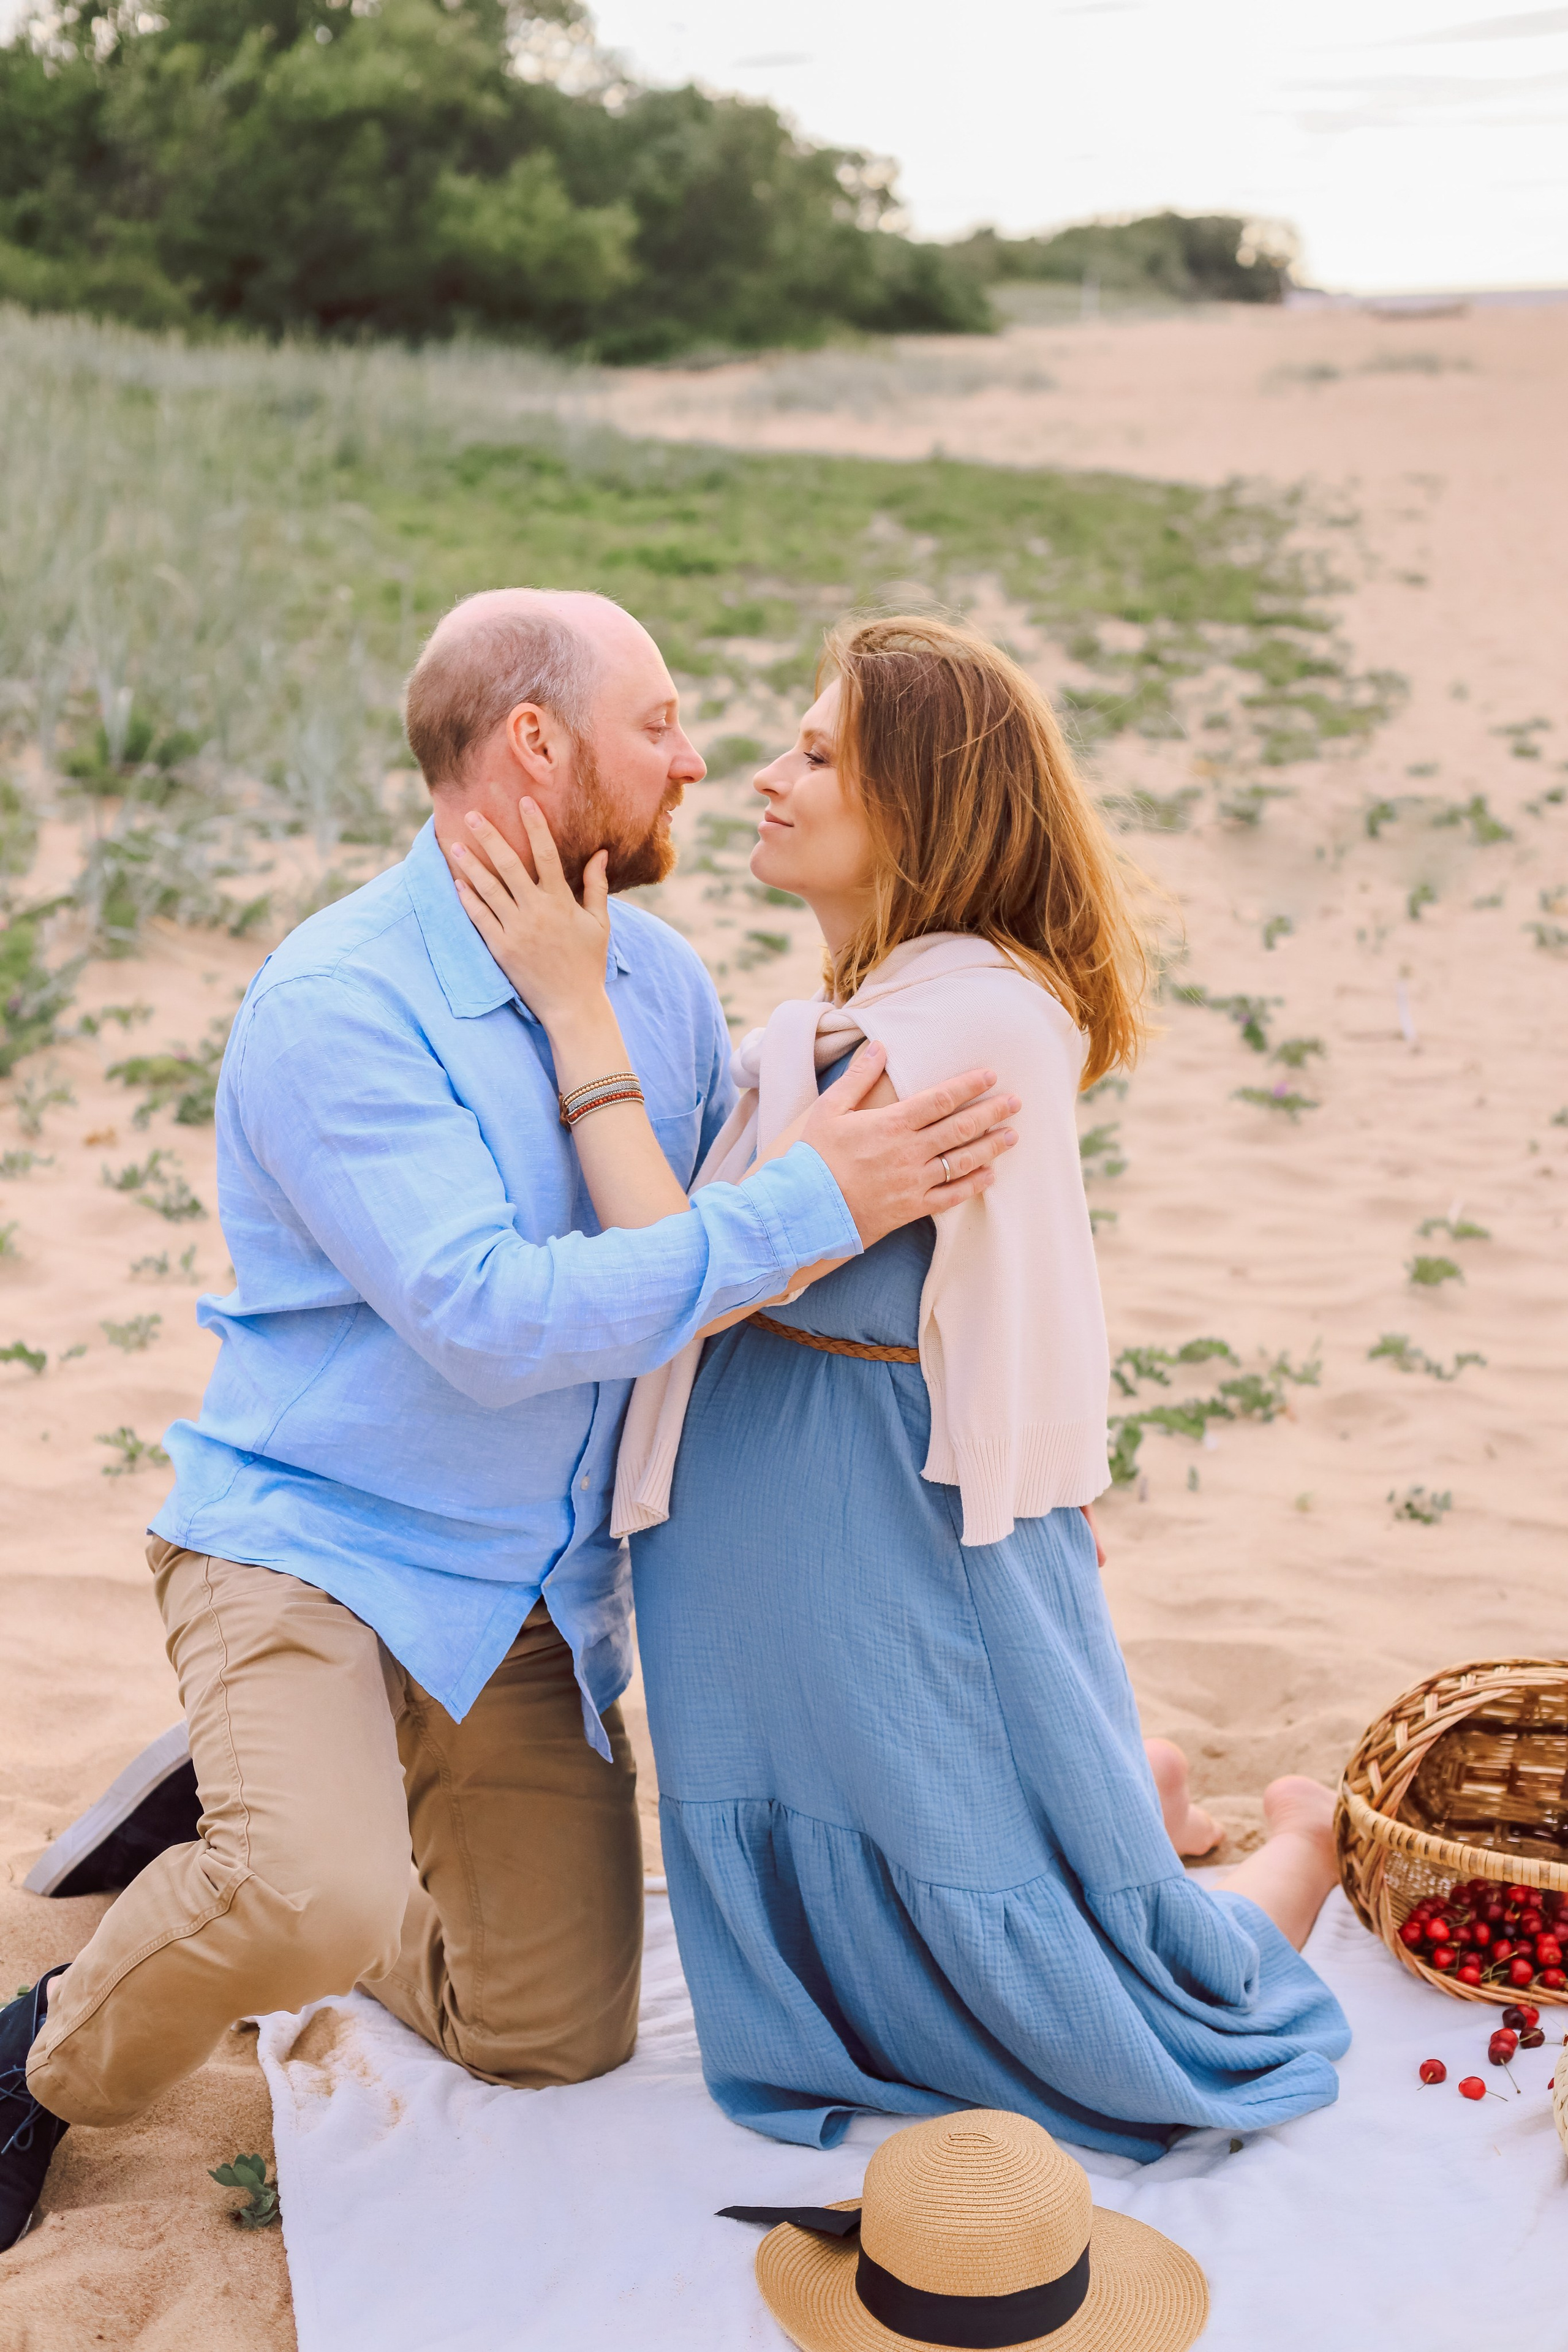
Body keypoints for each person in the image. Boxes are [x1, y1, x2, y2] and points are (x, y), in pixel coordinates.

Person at [0, 591, 1022, 2250]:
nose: (697, 762)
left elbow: (679, 1267)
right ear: (536, 746)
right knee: (303, 1901)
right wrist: (808, 1205)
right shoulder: (338, 1002)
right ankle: (41, 2054)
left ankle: (277, 1826)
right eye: (661, 724)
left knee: (551, 2037)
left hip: (532, 1594)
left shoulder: (663, 985)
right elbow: (496, 1322)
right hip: (310, 1546)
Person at [453, 612, 1351, 2164]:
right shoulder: (858, 1010)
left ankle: (1293, 1853)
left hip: (883, 1519)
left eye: (816, 755)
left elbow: (688, 1251)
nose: (760, 775)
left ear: (920, 808)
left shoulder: (964, 1017)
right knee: (881, 1887)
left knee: (1117, 2028)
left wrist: (570, 1000)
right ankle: (1136, 1793)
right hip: (763, 1526)